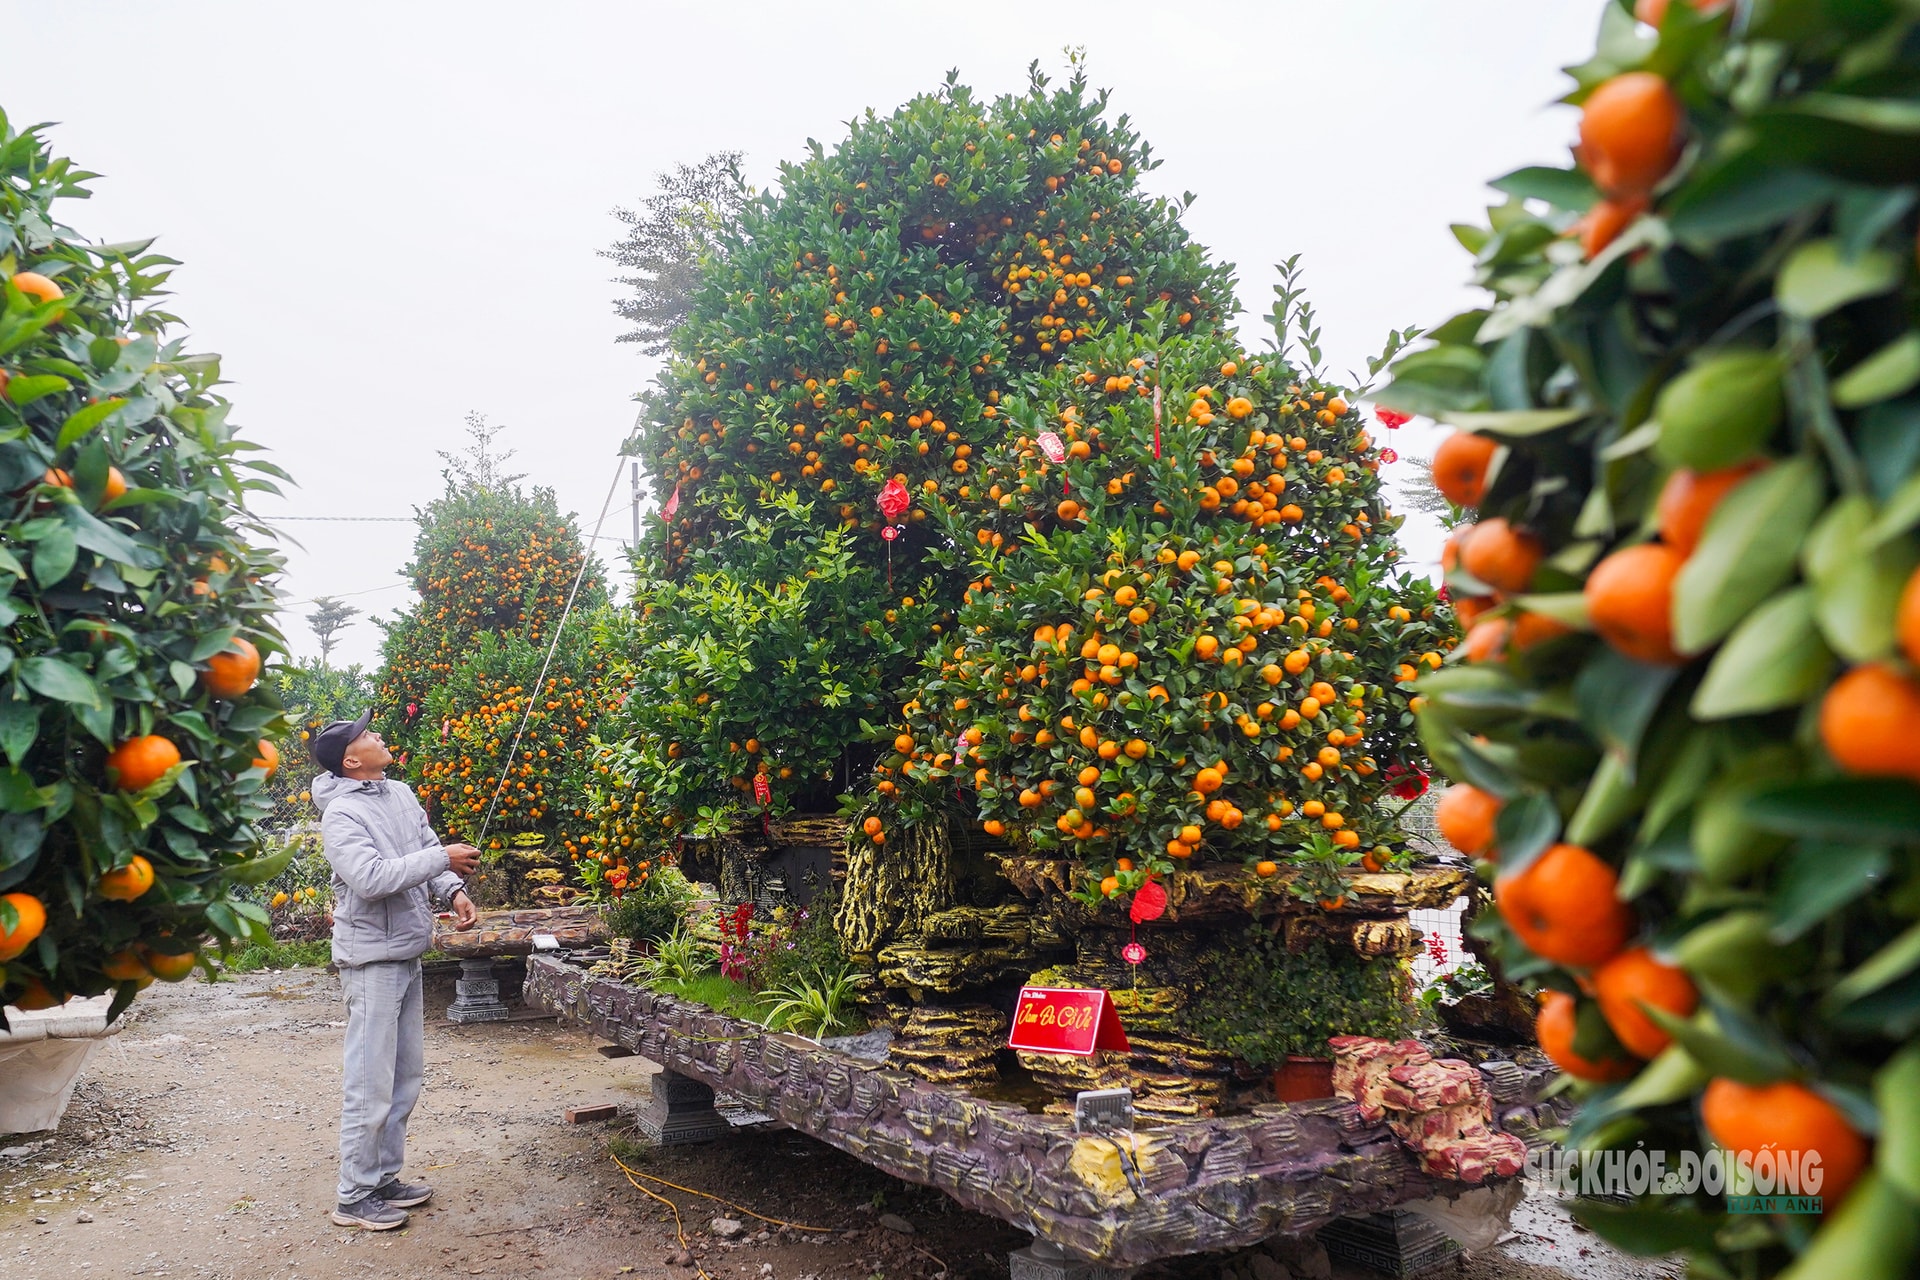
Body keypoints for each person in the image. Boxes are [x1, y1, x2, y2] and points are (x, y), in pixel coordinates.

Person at [310, 710, 483, 1231]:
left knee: (405, 1075)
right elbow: (370, 878)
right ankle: (353, 1194)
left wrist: (452, 889)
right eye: (368, 734)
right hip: (370, 960)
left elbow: (426, 851)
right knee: (370, 1080)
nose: (379, 735)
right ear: (351, 759)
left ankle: (383, 1177)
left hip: (407, 950)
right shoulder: (340, 815)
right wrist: (441, 861)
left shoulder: (401, 794)